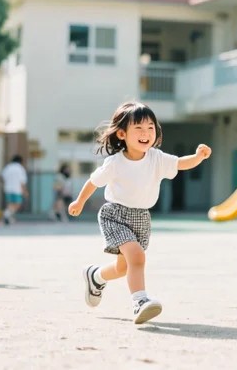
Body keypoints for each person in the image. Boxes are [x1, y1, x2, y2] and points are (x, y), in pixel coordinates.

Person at [68, 101, 212, 324]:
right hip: (114, 215)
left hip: (141, 217)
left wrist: (198, 157)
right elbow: (93, 182)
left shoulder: (156, 158)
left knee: (123, 267)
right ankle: (140, 301)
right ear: (123, 134)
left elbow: (181, 164)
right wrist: (79, 201)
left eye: (150, 128)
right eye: (139, 128)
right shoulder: (115, 162)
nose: (146, 133)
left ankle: (95, 276)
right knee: (137, 257)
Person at [1, 154, 28, 225]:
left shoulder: (8, 167)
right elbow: (22, 181)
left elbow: (3, 177)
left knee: (10, 203)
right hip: (17, 189)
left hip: (8, 188)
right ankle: (7, 214)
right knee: (17, 203)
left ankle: (8, 216)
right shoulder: (20, 168)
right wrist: (25, 191)